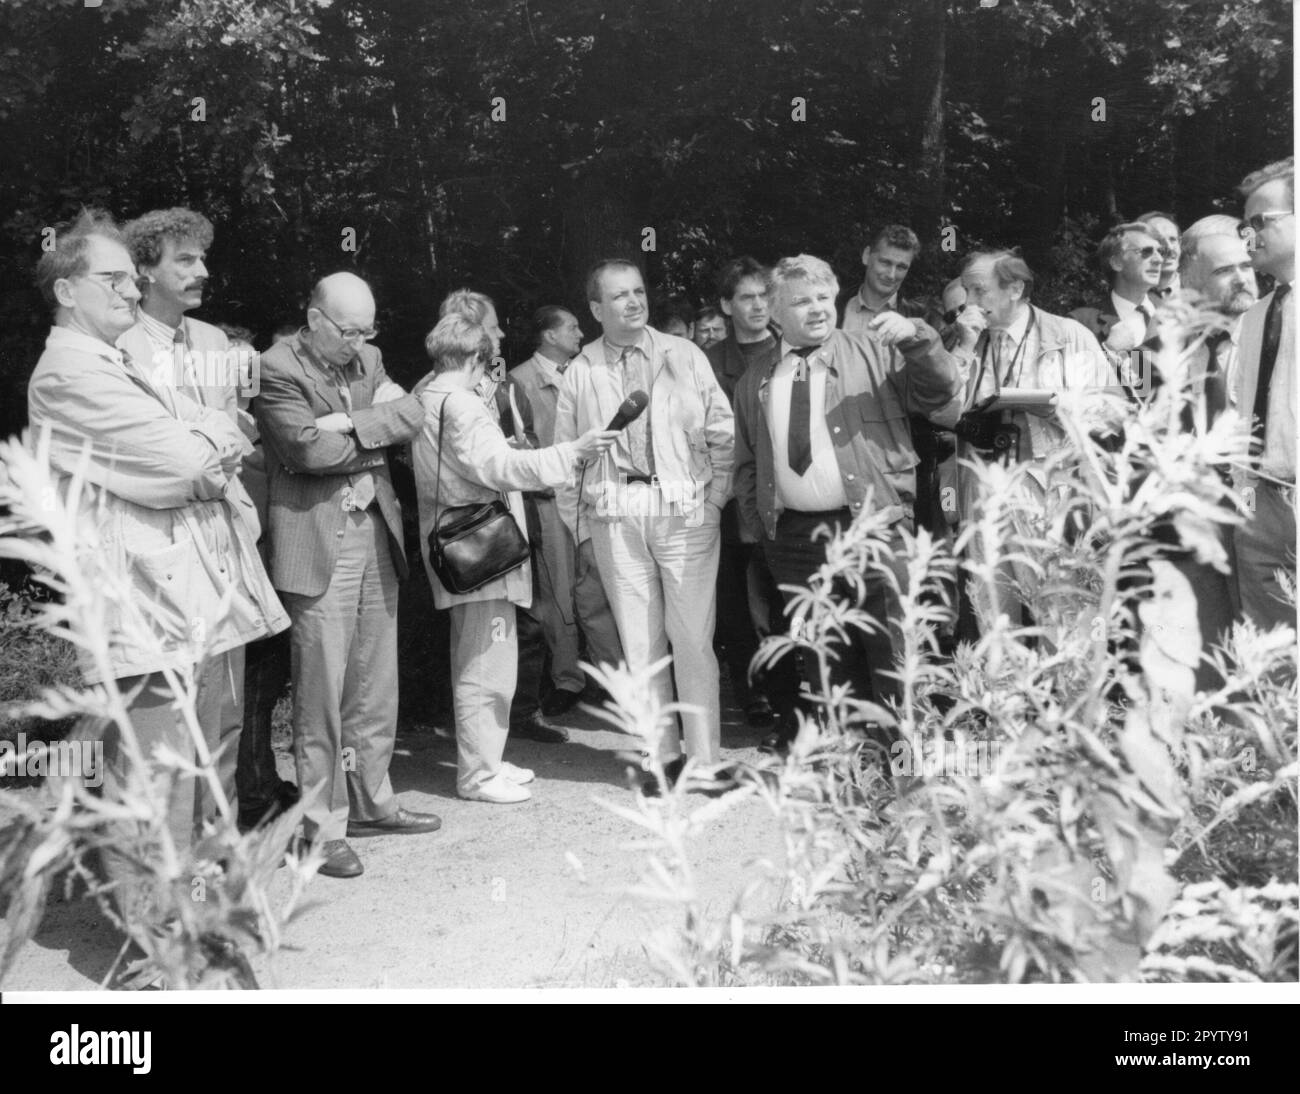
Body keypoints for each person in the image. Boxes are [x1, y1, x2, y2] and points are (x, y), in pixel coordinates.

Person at [27, 210, 289, 883]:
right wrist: (210, 447)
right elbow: (188, 466)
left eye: (127, 281)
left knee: (207, 756)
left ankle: (201, 909)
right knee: (157, 778)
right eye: (112, 280)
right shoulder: (70, 375)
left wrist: (209, 441)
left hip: (197, 589)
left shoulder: (120, 359)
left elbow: (220, 428)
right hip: (144, 600)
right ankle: (158, 949)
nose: (131, 293)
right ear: (66, 291)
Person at [731, 254, 964, 742]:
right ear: (774, 312)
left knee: (894, 658)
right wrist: (763, 529)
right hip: (794, 542)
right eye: (801, 301)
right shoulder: (755, 378)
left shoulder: (876, 351)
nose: (817, 309)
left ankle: (907, 776)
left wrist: (918, 338)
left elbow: (942, 391)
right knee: (826, 666)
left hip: (876, 529)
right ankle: (855, 778)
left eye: (823, 297)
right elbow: (749, 460)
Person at [254, 272, 440, 881]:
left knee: (372, 683)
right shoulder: (275, 368)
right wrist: (373, 431)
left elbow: (413, 411)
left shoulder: (370, 354)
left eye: (368, 330)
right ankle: (320, 829)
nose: (359, 343)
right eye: (348, 331)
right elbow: (304, 452)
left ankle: (370, 803)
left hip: (374, 535)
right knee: (320, 697)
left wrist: (348, 426)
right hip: (316, 545)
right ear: (313, 320)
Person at [413, 313, 617, 802]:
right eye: (488, 360)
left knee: (486, 655)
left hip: (463, 543)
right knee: (486, 661)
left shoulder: (430, 394)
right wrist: (571, 452)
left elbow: (470, 462)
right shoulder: (461, 404)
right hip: (481, 550)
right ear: (476, 357)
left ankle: (488, 757)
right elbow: (498, 467)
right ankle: (479, 775)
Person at [555, 259, 735, 793]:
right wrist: (581, 529)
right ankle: (662, 759)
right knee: (640, 644)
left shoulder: (685, 354)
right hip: (615, 514)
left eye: (639, 291)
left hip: (685, 511)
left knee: (693, 640)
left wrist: (716, 502)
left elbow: (723, 430)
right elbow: (567, 457)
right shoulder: (581, 370)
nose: (634, 302)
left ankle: (704, 763)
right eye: (619, 296)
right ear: (595, 309)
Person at [435, 289, 570, 743]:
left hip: (518, 516)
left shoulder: (505, 386)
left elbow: (525, 438)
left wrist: (525, 450)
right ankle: (481, 742)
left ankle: (521, 712)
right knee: (483, 638)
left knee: (527, 618)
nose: (501, 334)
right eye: (492, 326)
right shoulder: (443, 395)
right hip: (473, 533)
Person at [954, 250, 1114, 631]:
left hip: (1045, 486)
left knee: (1059, 614)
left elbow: (1111, 410)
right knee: (994, 620)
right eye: (966, 292)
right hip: (984, 486)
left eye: (979, 291)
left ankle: (1066, 692)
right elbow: (942, 408)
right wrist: (961, 348)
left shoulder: (1068, 335)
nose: (970, 303)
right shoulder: (968, 338)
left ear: (1015, 288)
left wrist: (1059, 408)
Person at [511, 306, 624, 717]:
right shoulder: (518, 381)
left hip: (593, 498)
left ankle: (615, 682)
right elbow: (515, 450)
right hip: (548, 503)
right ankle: (568, 681)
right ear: (549, 336)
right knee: (558, 597)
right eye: (572, 326)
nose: (581, 332)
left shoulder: (591, 372)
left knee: (600, 593)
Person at [704, 257, 798, 741]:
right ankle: (749, 694)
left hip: (787, 500)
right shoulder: (710, 361)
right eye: (746, 297)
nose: (758, 305)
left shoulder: (793, 349)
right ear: (727, 305)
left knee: (782, 605)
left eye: (764, 295)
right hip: (733, 501)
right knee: (739, 605)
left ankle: (790, 701)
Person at [218, 323, 300, 830]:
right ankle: (253, 796)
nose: (251, 379)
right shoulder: (233, 434)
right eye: (240, 371)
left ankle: (260, 782)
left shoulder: (252, 425)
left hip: (266, 578)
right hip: (245, 584)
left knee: (262, 691)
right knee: (250, 693)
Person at [1232, 157, 1296, 631]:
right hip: (1259, 498)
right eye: (1244, 225)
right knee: (1269, 646)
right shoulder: (1252, 317)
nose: (1248, 236)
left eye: (1261, 222)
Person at [118, 208, 235, 420]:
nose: (203, 272)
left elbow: (231, 428)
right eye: (185, 260)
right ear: (146, 270)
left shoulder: (215, 340)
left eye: (201, 259)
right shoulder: (117, 344)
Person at [1070, 222, 1166, 393]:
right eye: (1146, 252)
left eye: (1161, 252)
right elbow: (1071, 390)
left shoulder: (1177, 316)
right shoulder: (1081, 323)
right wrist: (1110, 351)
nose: (1159, 259)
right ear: (1116, 262)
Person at [839, 224, 927, 334]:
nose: (891, 275)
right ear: (866, 256)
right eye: (885, 263)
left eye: (901, 267)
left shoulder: (923, 318)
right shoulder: (833, 306)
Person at [1137, 211, 1183, 300]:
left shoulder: (1199, 289)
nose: (1169, 247)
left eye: (1173, 239)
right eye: (1159, 241)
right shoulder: (1127, 295)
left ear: (1180, 243)